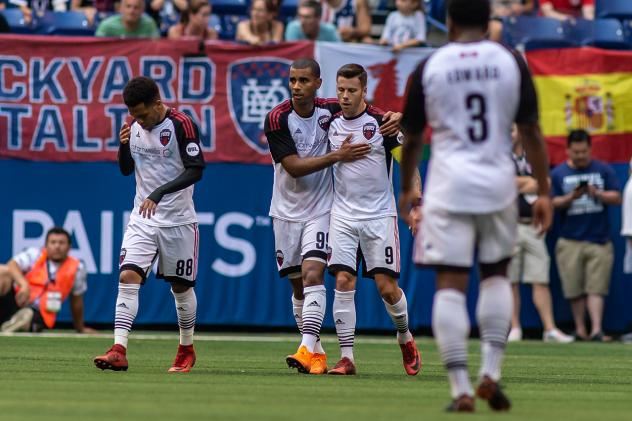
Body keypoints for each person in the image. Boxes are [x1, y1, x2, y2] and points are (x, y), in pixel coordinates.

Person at [399, 0, 552, 412]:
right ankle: (491, 373)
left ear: (448, 21)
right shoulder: (510, 62)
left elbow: (411, 137)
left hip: (449, 184)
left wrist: (407, 190)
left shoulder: (429, 66)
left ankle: (460, 388)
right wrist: (544, 190)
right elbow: (532, 131)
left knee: (450, 283)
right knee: (496, 277)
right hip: (498, 183)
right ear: (489, 21)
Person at [265, 58, 402, 375]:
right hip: (285, 210)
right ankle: (317, 352)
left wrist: (397, 116)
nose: (296, 87)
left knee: (316, 273)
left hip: (323, 209)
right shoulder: (277, 118)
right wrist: (337, 155)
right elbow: (294, 168)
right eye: (292, 80)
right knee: (299, 288)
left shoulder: (330, 109)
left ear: (316, 84)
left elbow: (369, 110)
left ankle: (306, 347)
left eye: (303, 81)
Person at [93, 76, 205, 373]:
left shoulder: (182, 124)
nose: (138, 120)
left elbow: (196, 170)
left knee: (180, 288)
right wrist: (123, 146)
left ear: (157, 103)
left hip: (178, 220)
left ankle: (186, 348)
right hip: (143, 219)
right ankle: (118, 348)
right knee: (128, 275)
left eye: (142, 114)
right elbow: (126, 169)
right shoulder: (135, 128)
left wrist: (159, 192)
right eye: (133, 114)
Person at [326, 63, 422, 376]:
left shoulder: (383, 124)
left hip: (379, 216)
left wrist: (416, 203)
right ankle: (347, 357)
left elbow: (407, 164)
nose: (344, 96)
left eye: (351, 90)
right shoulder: (330, 122)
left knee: (387, 289)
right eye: (340, 89)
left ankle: (405, 336)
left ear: (364, 91)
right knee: (343, 280)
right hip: (342, 215)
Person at [551, 129, 621, 342]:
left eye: (583, 151)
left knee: (596, 287)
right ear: (568, 150)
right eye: (575, 152)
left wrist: (597, 193)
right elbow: (552, 202)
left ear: (590, 149)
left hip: (599, 239)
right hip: (569, 238)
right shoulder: (558, 173)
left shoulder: (603, 170)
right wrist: (571, 197)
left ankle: (596, 329)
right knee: (574, 288)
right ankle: (580, 330)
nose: (580, 156)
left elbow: (616, 197)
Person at [507, 128, 574, 343]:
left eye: (513, 129)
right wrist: (526, 183)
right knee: (511, 280)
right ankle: (514, 328)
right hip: (508, 225)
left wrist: (519, 183)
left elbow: (546, 182)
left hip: (533, 226)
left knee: (540, 278)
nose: (510, 133)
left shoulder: (533, 154)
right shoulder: (498, 156)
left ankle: (550, 328)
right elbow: (502, 183)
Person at [0, 227, 96, 334]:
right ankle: (10, 323)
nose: (57, 246)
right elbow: (12, 264)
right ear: (46, 245)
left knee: (27, 316)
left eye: (61, 243)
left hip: (40, 314)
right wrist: (23, 284)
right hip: (17, 300)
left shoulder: (77, 268)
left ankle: (13, 325)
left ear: (69, 247)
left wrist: (80, 328)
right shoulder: (35, 254)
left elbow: (76, 301)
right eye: (53, 242)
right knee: (3, 271)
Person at [95, 0, 160, 38]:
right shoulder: (107, 26)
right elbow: (97, 47)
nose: (132, 11)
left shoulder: (149, 24)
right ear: (120, 8)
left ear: (142, 10)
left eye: (136, 7)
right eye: (128, 6)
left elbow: (157, 46)